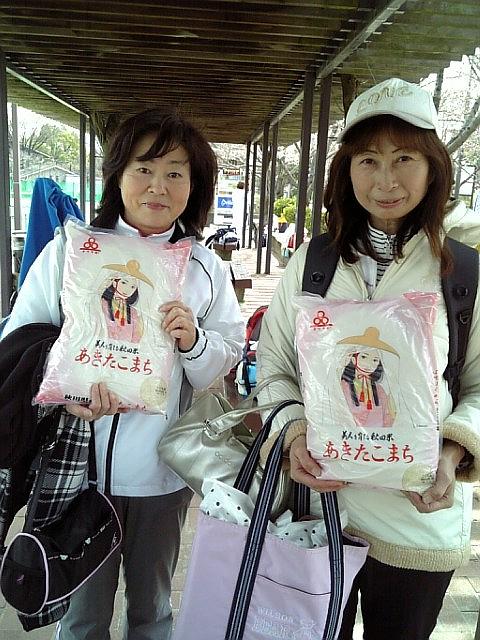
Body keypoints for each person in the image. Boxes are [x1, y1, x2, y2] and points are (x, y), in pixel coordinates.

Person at [2, 109, 244, 639]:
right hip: (75, 467)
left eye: (175, 172)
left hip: (160, 473)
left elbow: (224, 361)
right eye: (144, 169)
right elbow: (18, 341)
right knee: (82, 616)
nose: (158, 186)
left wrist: (193, 341)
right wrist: (65, 392)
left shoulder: (205, 267)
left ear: (194, 186)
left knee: (152, 609)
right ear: (117, 176)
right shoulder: (71, 251)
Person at [256, 77, 480, 640]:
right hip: (318, 515)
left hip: (416, 522)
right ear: (346, 171)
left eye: (404, 158)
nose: (386, 181)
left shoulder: (464, 271)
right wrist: (294, 434)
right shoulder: (313, 263)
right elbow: (275, 367)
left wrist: (452, 453)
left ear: (433, 168)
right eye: (368, 160)